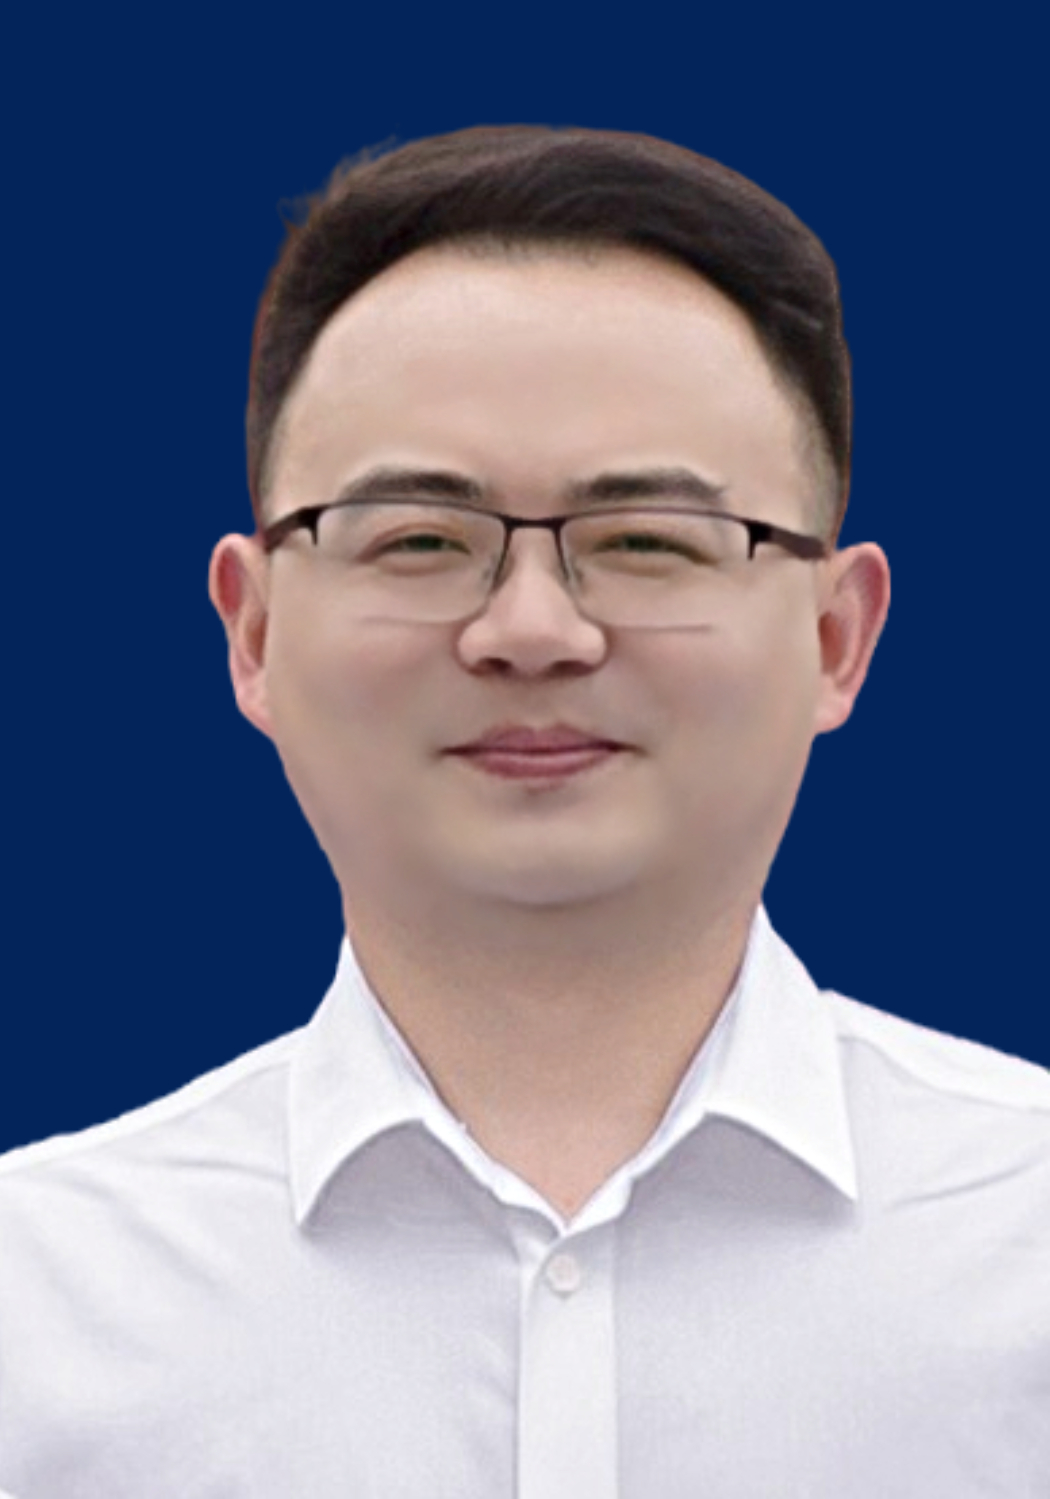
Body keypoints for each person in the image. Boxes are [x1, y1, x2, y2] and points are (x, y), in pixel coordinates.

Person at [1, 124, 1047, 1498]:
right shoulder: (36, 1304)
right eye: (422, 539)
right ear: (253, 632)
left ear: (834, 638)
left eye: (647, 541)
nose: (534, 631)